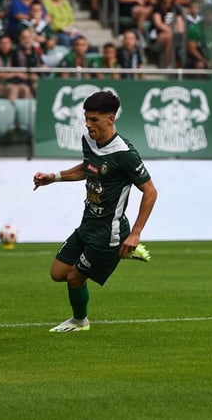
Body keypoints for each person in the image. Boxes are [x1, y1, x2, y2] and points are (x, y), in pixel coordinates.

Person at [32, 90, 156, 332]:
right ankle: (123, 252)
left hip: (108, 233)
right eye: (86, 118)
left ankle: (80, 321)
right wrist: (53, 177)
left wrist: (137, 232)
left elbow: (150, 192)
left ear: (110, 119)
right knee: (57, 273)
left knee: (74, 278)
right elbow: (87, 169)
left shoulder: (125, 154)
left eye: (94, 120)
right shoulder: (88, 140)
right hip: (87, 224)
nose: (88, 125)